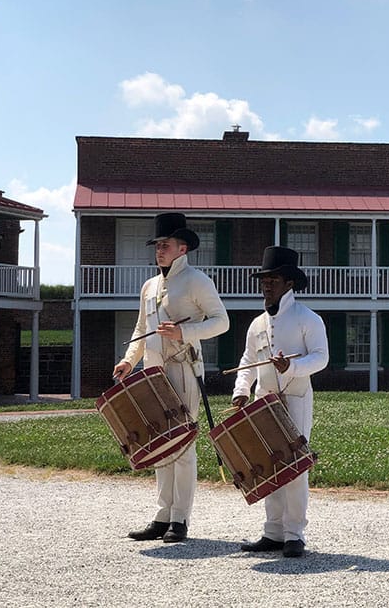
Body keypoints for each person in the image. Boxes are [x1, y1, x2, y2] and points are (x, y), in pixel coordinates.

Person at [113, 212, 229, 543]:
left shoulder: (197, 281)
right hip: (153, 370)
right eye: (157, 246)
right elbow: (141, 329)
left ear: (182, 248)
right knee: (158, 442)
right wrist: (127, 360)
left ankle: (181, 519)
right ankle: (162, 515)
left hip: (183, 367)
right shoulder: (149, 286)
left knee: (183, 443)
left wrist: (184, 332)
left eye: (165, 245)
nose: (159, 251)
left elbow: (221, 321)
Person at [232, 246, 328, 557]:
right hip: (265, 401)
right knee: (268, 465)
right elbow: (248, 359)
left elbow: (321, 358)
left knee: (295, 467)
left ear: (289, 283)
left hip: (296, 399)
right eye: (264, 279)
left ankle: (295, 534)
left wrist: (293, 368)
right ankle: (273, 531)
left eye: (272, 279)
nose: (266, 284)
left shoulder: (308, 319)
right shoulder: (257, 323)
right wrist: (242, 389)